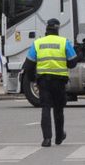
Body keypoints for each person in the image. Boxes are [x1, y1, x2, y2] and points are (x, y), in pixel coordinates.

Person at [23, 19, 77, 147]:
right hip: (59, 81)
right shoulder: (64, 42)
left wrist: (32, 79)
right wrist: (65, 63)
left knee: (46, 108)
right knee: (59, 109)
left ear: (46, 29)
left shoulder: (37, 43)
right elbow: (73, 62)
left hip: (44, 81)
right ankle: (59, 137)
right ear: (57, 29)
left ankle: (47, 139)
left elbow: (28, 65)